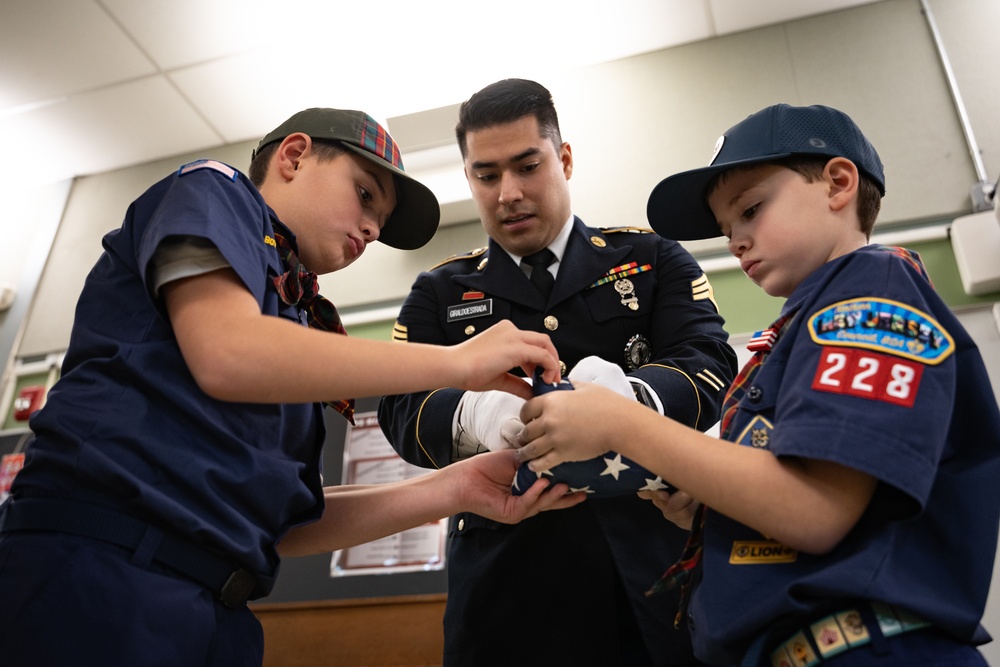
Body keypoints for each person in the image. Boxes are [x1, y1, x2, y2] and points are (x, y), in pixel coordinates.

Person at [0, 107, 585, 667]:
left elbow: (286, 523)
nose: (371, 228)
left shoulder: (297, 319)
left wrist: (455, 489)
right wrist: (457, 363)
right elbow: (227, 352)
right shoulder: (215, 189)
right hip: (102, 565)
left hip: (217, 602)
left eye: (379, 222)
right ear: (294, 156)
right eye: (364, 195)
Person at [515, 103, 1000, 666]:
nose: (736, 241)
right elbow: (801, 503)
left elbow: (813, 509)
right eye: (726, 230)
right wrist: (711, 506)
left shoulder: (871, 289)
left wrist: (622, 421)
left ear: (838, 184)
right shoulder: (799, 331)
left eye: (751, 209)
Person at [378, 79, 737, 666]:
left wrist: (632, 402)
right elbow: (400, 408)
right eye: (487, 175)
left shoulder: (650, 259)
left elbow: (711, 366)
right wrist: (476, 415)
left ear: (563, 158)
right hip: (508, 589)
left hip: (657, 568)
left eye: (527, 166)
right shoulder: (439, 291)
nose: (509, 193)